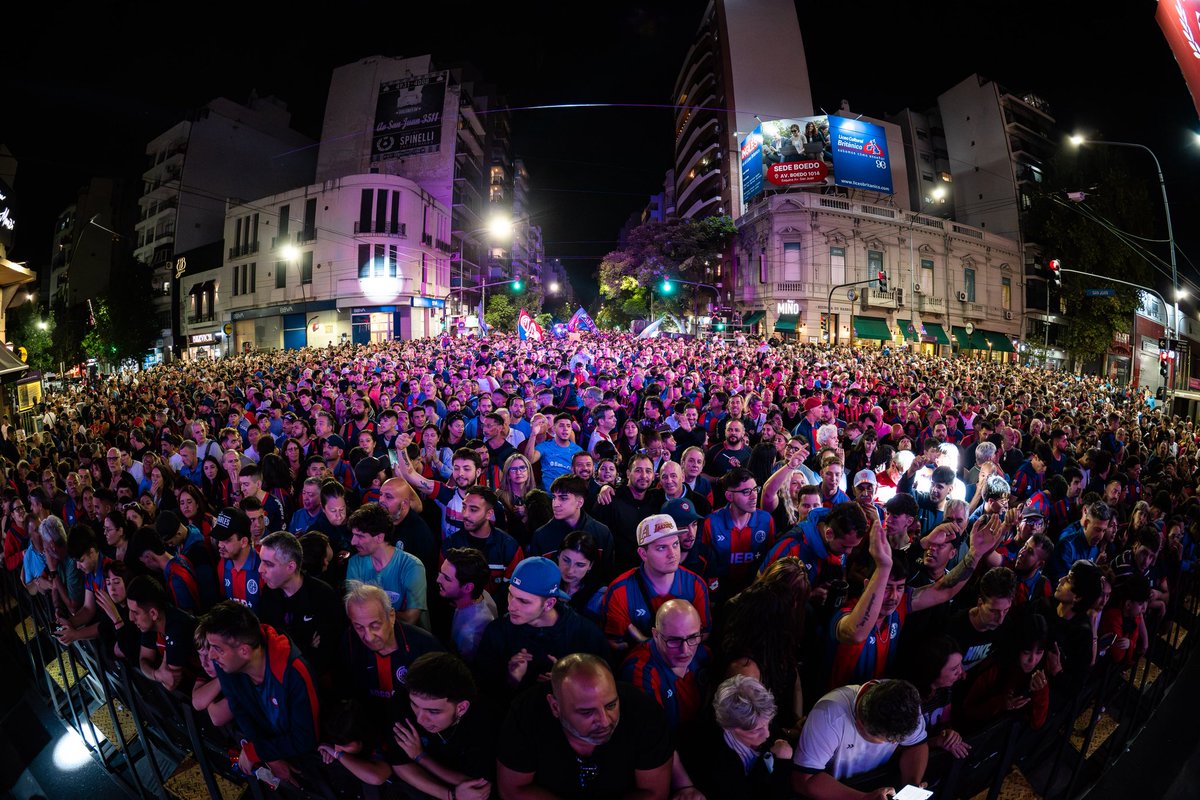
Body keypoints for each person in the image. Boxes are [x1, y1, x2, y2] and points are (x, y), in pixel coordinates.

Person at [496, 653, 673, 800]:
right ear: (555, 707)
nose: (604, 721)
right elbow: (512, 790)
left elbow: (654, 793)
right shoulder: (525, 715)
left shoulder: (643, 711)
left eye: (611, 705)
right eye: (587, 712)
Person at [203, 599, 322, 788]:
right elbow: (239, 710)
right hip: (272, 750)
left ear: (244, 651)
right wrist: (267, 755)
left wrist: (256, 751)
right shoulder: (227, 665)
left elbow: (306, 738)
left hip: (308, 762)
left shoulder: (294, 673)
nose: (210, 656)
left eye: (217, 649)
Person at [473, 555, 609, 697]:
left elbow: (604, 692)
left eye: (523, 601)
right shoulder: (497, 632)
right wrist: (511, 681)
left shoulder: (586, 636)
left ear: (549, 604)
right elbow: (483, 694)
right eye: (510, 594)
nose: (511, 606)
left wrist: (569, 687)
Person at [339, 580, 443, 740]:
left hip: (415, 732)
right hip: (369, 730)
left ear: (392, 616)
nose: (368, 636)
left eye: (375, 625)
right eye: (359, 627)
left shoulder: (425, 646)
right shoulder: (350, 641)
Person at [792, 679, 928, 799]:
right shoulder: (828, 715)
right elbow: (804, 779)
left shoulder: (906, 704)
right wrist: (863, 798)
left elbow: (916, 745)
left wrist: (911, 786)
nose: (895, 743)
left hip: (875, 781)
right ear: (860, 726)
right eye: (889, 739)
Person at [386, 652, 494, 800]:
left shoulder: (484, 720)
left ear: (461, 708)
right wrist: (450, 796)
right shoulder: (402, 701)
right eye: (415, 705)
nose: (420, 719)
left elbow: (475, 784)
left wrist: (420, 757)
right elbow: (399, 764)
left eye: (433, 711)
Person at [602, 513, 711, 652]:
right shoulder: (619, 591)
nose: (673, 554)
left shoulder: (696, 584)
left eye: (675, 544)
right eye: (662, 548)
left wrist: (642, 639)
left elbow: (705, 634)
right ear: (643, 554)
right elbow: (614, 643)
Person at [679, 674, 793, 800]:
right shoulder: (715, 760)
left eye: (768, 723)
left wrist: (780, 741)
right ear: (728, 727)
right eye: (756, 730)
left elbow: (774, 732)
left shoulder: (758, 717)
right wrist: (782, 763)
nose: (767, 734)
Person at [256, 530, 343, 680]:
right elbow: (267, 645)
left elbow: (327, 653)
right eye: (261, 561)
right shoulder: (269, 593)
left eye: (268, 564)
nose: (260, 569)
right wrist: (306, 646)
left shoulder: (323, 596)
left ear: (290, 567)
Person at [619, 598, 710, 730]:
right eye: (673, 640)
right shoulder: (639, 671)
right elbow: (653, 733)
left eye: (692, 637)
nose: (685, 650)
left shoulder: (704, 654)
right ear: (655, 635)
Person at [345, 502, 430, 630]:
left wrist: (371, 613)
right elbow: (355, 612)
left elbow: (411, 619)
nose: (353, 542)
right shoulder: (355, 563)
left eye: (360, 536)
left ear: (379, 537)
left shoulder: (412, 566)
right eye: (353, 535)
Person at [125, 574, 198, 692]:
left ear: (153, 613)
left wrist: (157, 674)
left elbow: (170, 683)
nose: (131, 618)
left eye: (135, 612)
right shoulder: (149, 624)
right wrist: (156, 674)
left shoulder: (177, 628)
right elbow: (143, 659)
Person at [435, 547, 498, 663]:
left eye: (447, 578)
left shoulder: (469, 635)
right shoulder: (483, 594)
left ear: (468, 587)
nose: (438, 579)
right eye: (440, 573)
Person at [211, 506, 264, 611]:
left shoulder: (263, 569)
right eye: (219, 539)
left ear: (244, 542)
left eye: (226, 540)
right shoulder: (222, 565)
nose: (220, 545)